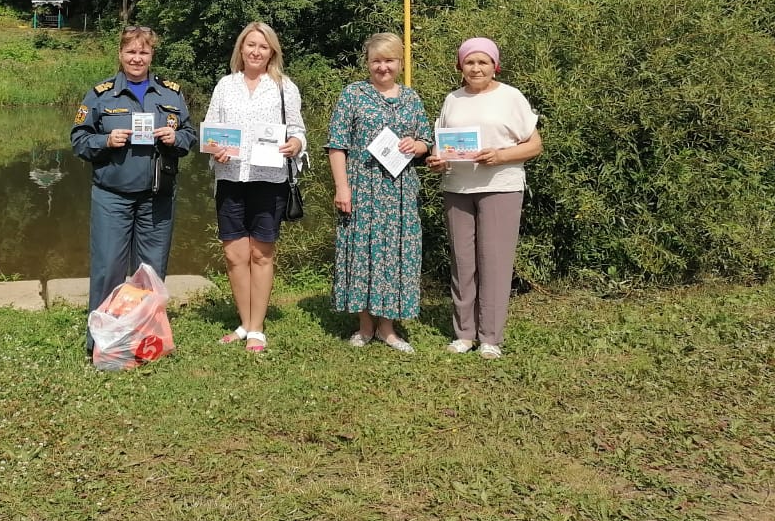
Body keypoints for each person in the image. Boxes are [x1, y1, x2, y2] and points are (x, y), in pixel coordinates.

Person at [71, 26, 197, 353]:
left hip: (157, 197)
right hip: (112, 197)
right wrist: (105, 141)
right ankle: (101, 344)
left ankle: (145, 341)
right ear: (121, 54)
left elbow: (191, 136)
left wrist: (176, 139)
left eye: (143, 52)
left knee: (151, 273)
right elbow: (79, 140)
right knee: (108, 269)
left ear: (152, 55)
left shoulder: (171, 94)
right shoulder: (100, 95)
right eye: (131, 52)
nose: (137, 58)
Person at [428, 37, 542, 360]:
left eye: (483, 62)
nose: (476, 68)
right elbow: (442, 146)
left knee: (494, 262)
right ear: (460, 66)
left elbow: (534, 145)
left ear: (495, 66)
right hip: (457, 188)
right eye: (469, 62)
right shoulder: (452, 99)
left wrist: (501, 156)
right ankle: (464, 333)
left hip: (501, 186)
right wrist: (438, 162)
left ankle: (490, 336)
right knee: (462, 263)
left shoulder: (511, 97)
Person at [326, 33, 432, 354]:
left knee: (396, 255)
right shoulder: (353, 95)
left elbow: (427, 141)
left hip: (399, 193)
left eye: (389, 60)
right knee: (361, 253)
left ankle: (387, 327)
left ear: (400, 63)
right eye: (376, 60)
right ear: (368, 63)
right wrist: (342, 187)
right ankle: (365, 325)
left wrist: (418, 146)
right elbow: (337, 144)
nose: (382, 67)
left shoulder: (412, 99)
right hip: (362, 189)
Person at [204, 22, 306, 353]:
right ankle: (244, 323)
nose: (256, 51)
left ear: (272, 51)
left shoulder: (283, 87)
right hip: (230, 176)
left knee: (261, 254)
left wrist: (295, 144)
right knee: (235, 256)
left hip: (269, 179)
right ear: (241, 49)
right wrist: (215, 149)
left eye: (263, 46)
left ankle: (257, 328)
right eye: (250, 45)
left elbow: (298, 131)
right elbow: (211, 132)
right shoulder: (224, 86)